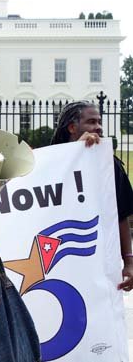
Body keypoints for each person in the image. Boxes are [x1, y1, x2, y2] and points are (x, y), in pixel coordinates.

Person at [51, 101, 133, 291]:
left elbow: (121, 216)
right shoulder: (51, 162)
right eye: (91, 122)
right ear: (72, 127)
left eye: (99, 122)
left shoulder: (109, 165)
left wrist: (128, 262)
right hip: (60, 260)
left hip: (101, 260)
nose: (98, 127)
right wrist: (76, 154)